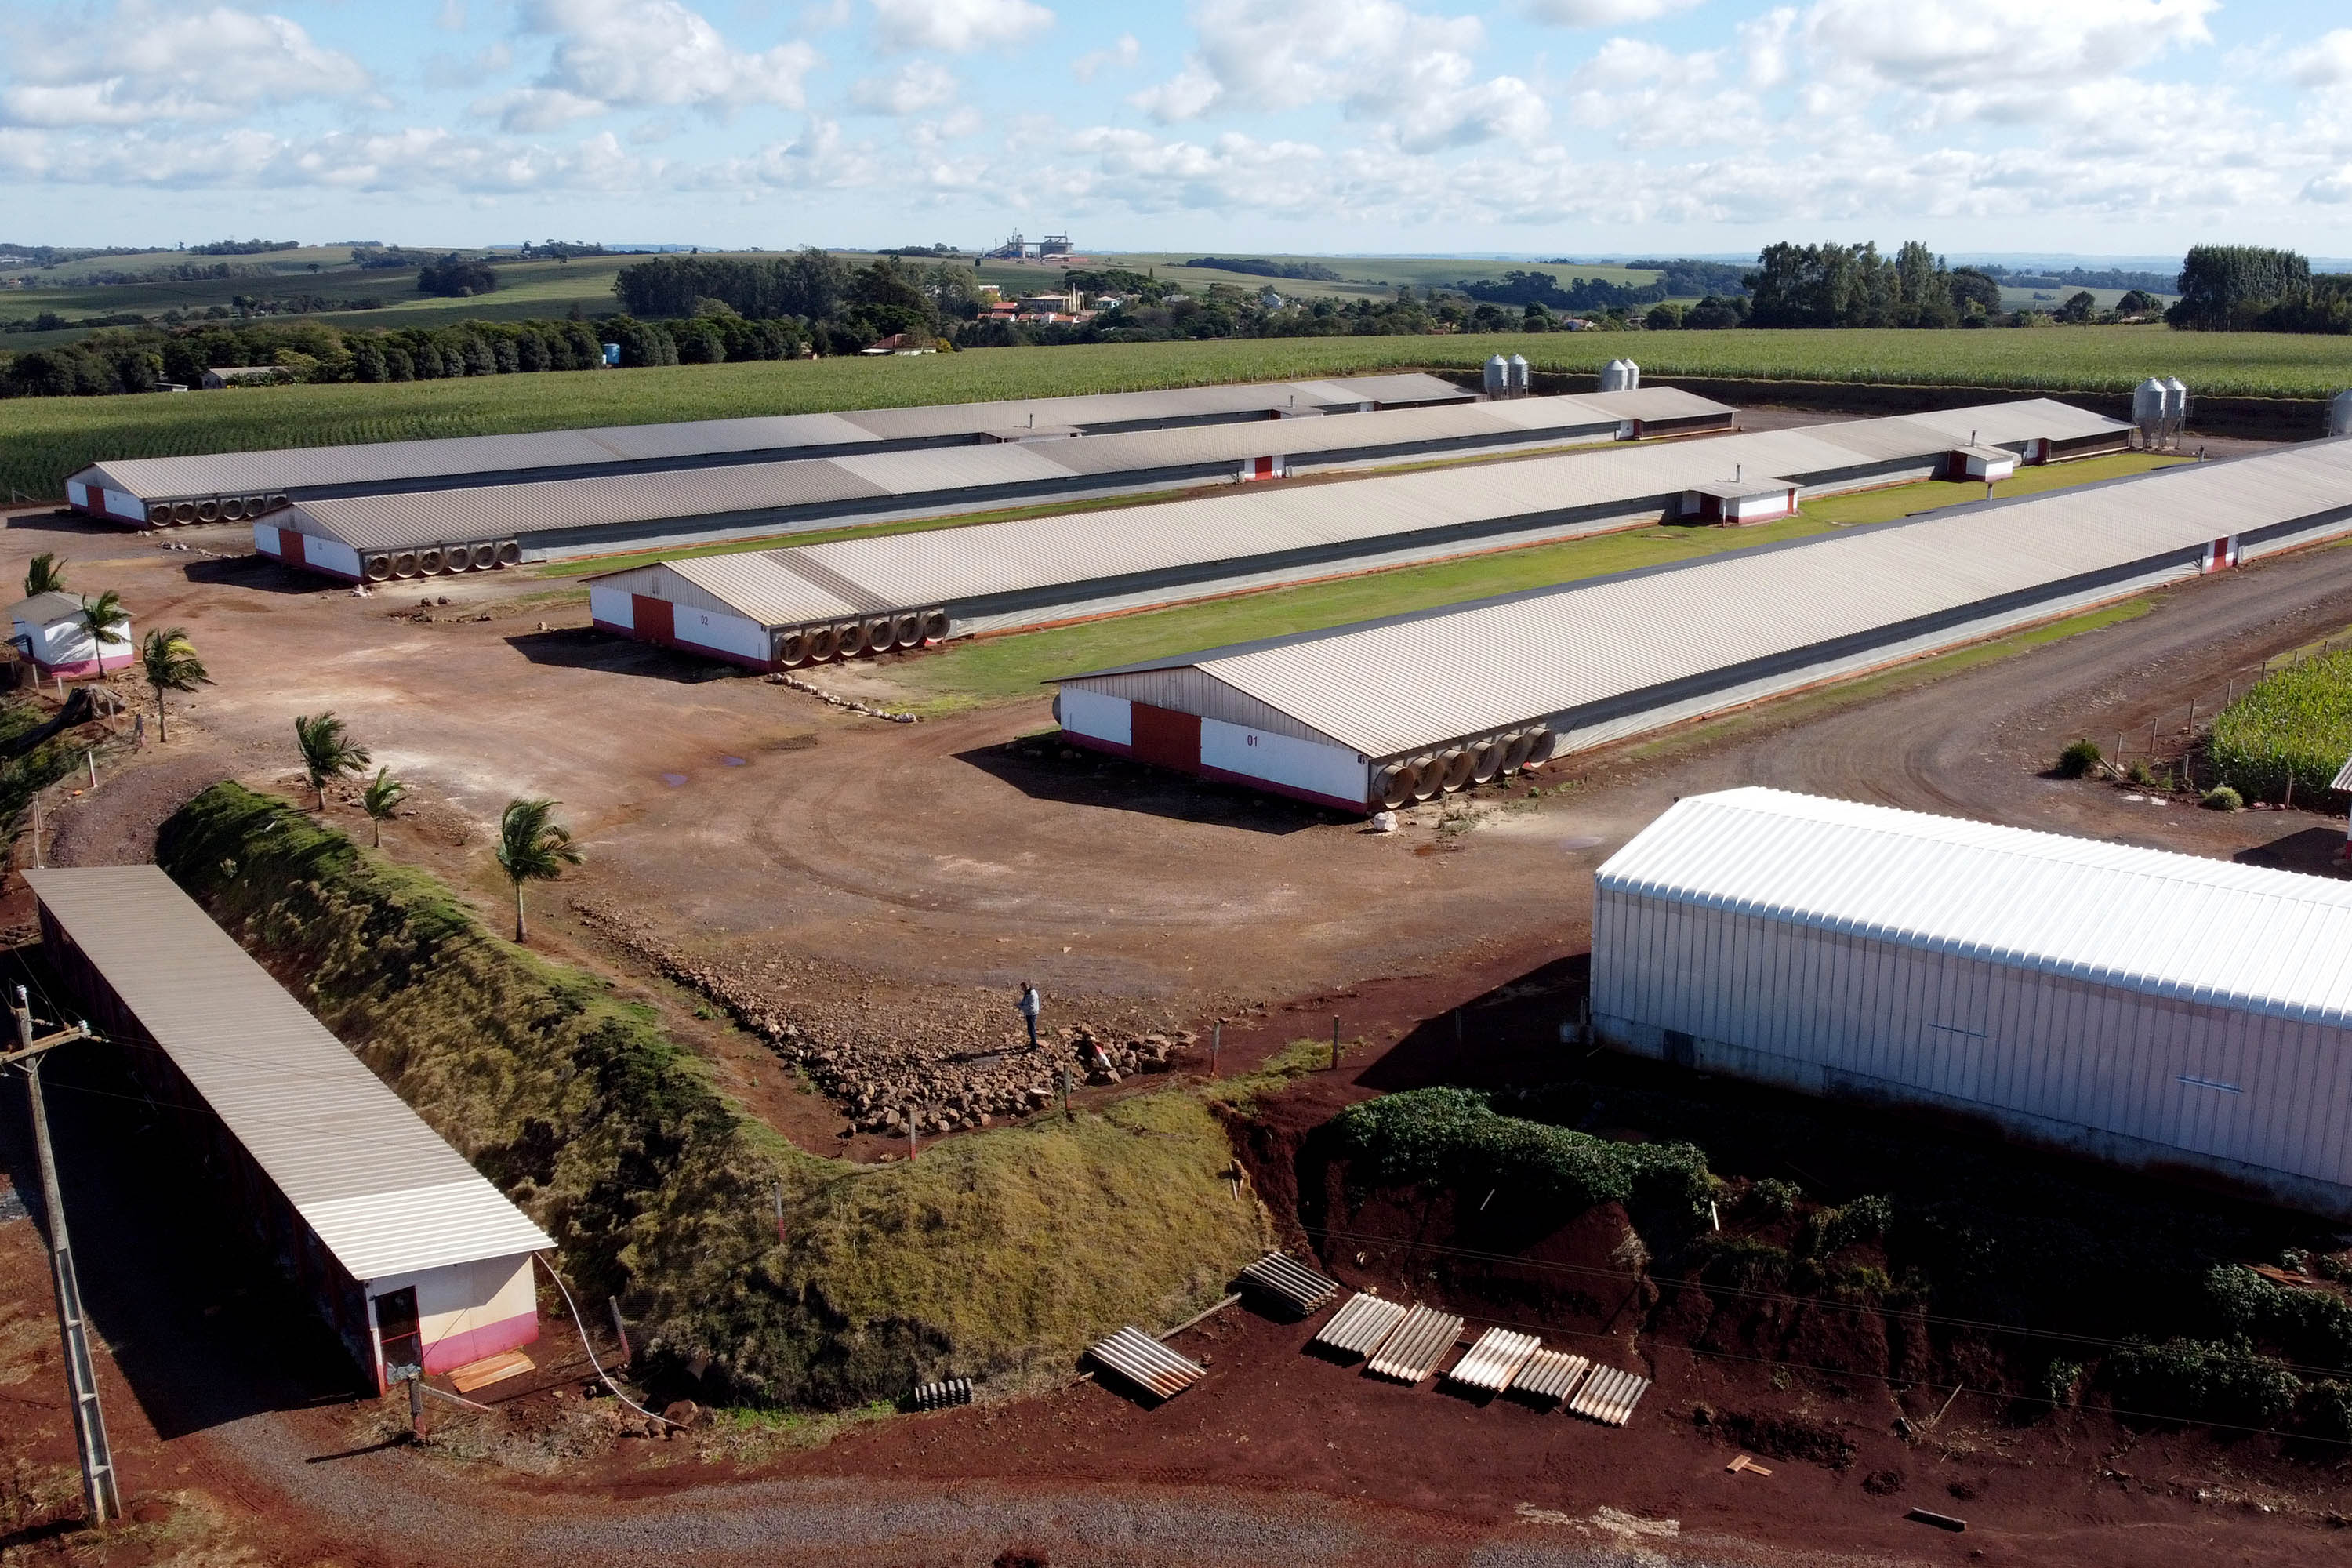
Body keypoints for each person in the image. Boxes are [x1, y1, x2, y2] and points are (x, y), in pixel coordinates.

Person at [1017, 982, 1040, 1048]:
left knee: (1032, 1029)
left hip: (1032, 1013)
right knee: (1030, 1029)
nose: (1022, 989)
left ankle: (1034, 1045)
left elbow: (1031, 1006)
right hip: (1028, 1012)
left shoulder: (1032, 994)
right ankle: (1033, 1042)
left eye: (1022, 988)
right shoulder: (1028, 993)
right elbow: (1024, 1002)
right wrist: (1020, 1004)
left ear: (1026, 987)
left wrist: (1021, 1007)